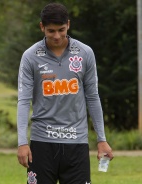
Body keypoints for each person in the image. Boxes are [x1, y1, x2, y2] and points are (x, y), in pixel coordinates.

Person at [17, 3, 114, 184]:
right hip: (42, 143)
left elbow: (92, 97)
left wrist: (102, 139)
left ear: (68, 25)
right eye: (51, 31)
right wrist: (22, 143)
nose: (57, 36)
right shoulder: (30, 56)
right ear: (42, 27)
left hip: (76, 143)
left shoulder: (85, 53)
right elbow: (23, 101)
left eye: (61, 30)